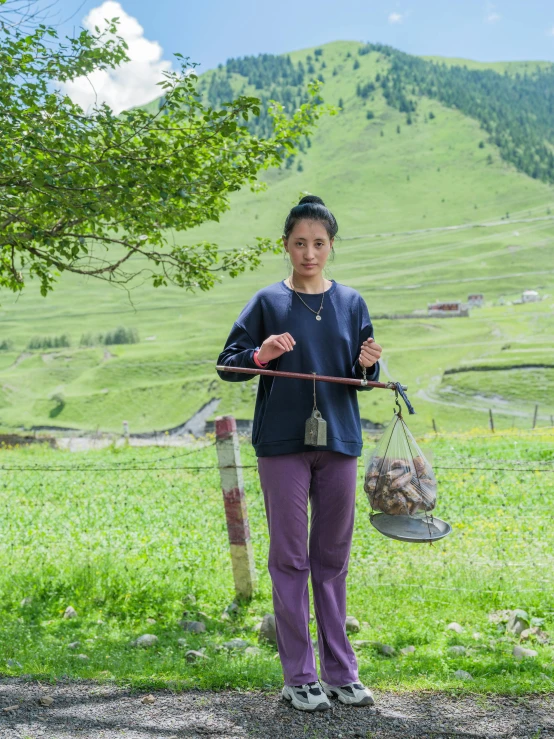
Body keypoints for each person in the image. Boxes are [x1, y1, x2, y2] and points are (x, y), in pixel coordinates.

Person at [216, 195, 382, 712]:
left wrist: (370, 366)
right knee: (289, 558)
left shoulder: (352, 303)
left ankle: (341, 672)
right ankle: (299, 676)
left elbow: (361, 378)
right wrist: (260, 355)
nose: (309, 252)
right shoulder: (268, 301)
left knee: (331, 558)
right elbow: (229, 364)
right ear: (285, 246)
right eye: (299, 243)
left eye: (318, 243)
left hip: (340, 441)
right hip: (282, 444)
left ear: (331, 247)